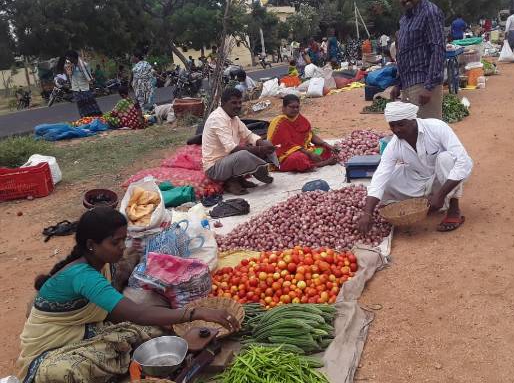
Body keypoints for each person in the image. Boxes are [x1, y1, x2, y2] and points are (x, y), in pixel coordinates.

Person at [16, 207, 239, 383]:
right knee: (64, 371)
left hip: (85, 332)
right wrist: (195, 313)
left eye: (124, 239)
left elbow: (120, 313)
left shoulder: (103, 264)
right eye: (116, 242)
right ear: (91, 245)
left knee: (155, 332)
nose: (123, 246)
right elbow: (137, 313)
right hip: (49, 349)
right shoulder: (82, 275)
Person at [357, 102, 473, 234]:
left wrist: (440, 195)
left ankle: (453, 208)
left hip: (443, 179)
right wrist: (368, 213)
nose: (396, 130)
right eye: (392, 125)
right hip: (419, 179)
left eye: (401, 124)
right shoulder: (394, 144)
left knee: (445, 159)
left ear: (413, 120)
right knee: (387, 180)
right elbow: (381, 175)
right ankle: (425, 203)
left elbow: (463, 162)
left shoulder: (437, 127)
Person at [202, 88, 276, 195]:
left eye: (240, 102)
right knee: (243, 154)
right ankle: (230, 182)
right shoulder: (217, 118)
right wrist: (259, 149)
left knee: (262, 145)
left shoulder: (234, 118)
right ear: (223, 103)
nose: (238, 106)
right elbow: (231, 148)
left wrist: (262, 143)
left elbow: (249, 135)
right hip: (215, 168)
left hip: (228, 161)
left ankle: (238, 179)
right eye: (234, 103)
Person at [390, 0, 445, 119]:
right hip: (408, 85)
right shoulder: (404, 20)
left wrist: (429, 87)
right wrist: (398, 84)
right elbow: (403, 54)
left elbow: (438, 49)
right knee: (412, 133)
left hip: (424, 85)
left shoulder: (430, 13)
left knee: (428, 133)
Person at [267, 94, 337, 173]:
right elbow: (287, 145)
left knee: (322, 149)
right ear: (283, 108)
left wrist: (328, 145)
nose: (295, 109)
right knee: (299, 159)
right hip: (285, 157)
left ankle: (313, 161)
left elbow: (311, 135)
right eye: (292, 107)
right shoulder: (279, 122)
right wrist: (310, 154)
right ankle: (322, 163)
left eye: (297, 107)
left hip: (305, 151)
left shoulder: (301, 119)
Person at [61, 50, 102, 118]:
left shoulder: (84, 65)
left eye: (69, 58)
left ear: (74, 57)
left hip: (85, 89)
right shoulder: (69, 66)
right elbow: (68, 76)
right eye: (67, 58)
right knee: (81, 107)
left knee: (91, 105)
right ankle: (85, 120)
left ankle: (97, 118)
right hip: (76, 90)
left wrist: (92, 85)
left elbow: (89, 78)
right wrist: (68, 68)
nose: (68, 60)